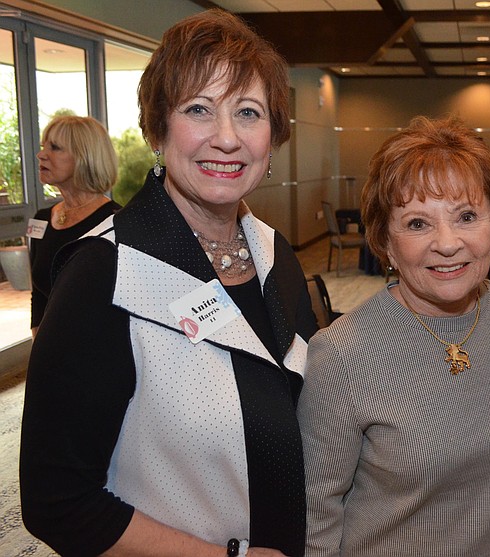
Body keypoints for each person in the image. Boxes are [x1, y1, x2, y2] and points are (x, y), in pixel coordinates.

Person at [20, 9, 317, 557]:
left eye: (248, 112)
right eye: (198, 109)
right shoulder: (103, 273)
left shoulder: (277, 256)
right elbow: (56, 499)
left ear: (272, 138)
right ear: (158, 129)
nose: (226, 138)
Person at [298, 116, 490, 557]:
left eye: (466, 216)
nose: (447, 243)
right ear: (386, 241)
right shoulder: (342, 354)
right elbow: (316, 516)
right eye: (417, 223)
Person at [28, 115, 121, 337]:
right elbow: (39, 295)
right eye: (43, 147)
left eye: (55, 147)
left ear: (85, 157)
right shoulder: (41, 219)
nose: (41, 155)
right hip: (52, 353)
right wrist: (39, 347)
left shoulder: (117, 222)